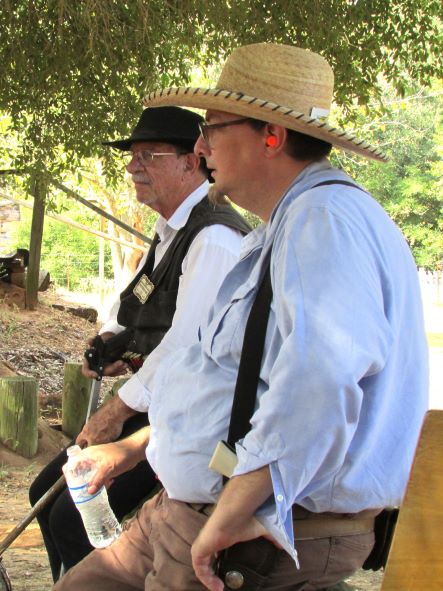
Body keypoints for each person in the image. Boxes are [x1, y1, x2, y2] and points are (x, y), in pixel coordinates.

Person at [53, 43, 429, 591]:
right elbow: (235, 387)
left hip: (243, 532)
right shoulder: (288, 223)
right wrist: (135, 448)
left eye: (213, 127)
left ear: (271, 137)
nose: (201, 146)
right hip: (190, 512)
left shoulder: (322, 222)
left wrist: (231, 512)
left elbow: (318, 383)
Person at [29, 105, 250, 582]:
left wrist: (116, 411)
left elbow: (187, 347)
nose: (132, 166)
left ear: (192, 161)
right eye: (132, 156)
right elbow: (142, 302)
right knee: (44, 496)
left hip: (197, 420)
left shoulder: (214, 238)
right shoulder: (170, 231)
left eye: (148, 155)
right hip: (162, 403)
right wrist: (112, 341)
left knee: (73, 517)